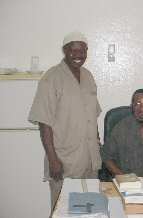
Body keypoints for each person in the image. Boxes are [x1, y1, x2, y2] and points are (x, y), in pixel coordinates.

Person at [28, 31, 102, 212]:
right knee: (63, 210)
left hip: (90, 161)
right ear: (64, 51)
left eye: (82, 51)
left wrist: (98, 145)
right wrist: (53, 160)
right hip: (65, 161)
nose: (78, 55)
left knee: (89, 210)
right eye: (73, 50)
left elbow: (93, 116)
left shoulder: (88, 76)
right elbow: (44, 123)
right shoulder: (51, 78)